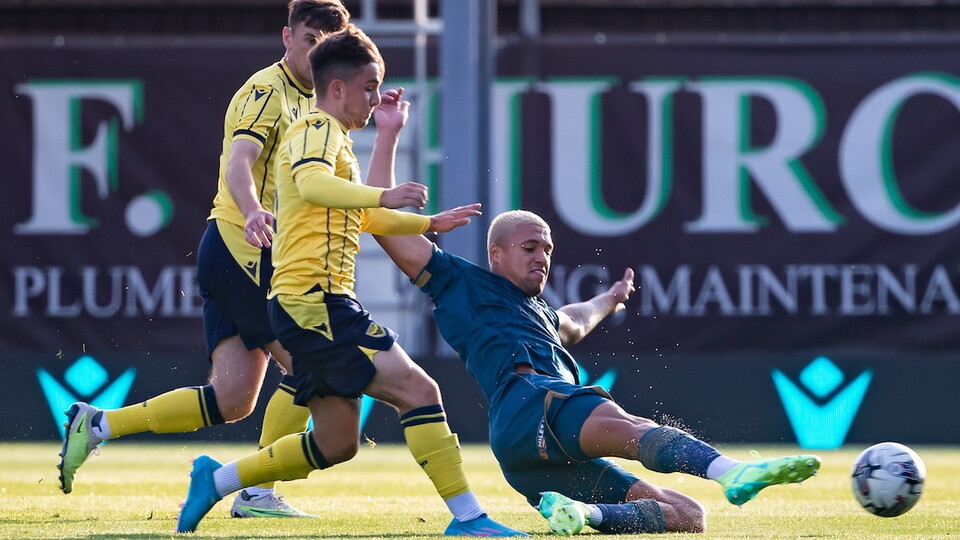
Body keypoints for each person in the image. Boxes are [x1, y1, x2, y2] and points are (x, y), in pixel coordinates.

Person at [174, 25, 525, 537]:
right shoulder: (316, 130)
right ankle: (470, 519)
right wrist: (385, 196)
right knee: (419, 390)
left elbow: (364, 215)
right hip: (317, 305)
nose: (375, 98)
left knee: (337, 443)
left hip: (311, 306)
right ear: (336, 88)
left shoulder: (331, 136)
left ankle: (217, 479)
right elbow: (314, 185)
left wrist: (429, 222)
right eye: (368, 87)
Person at [57, 0, 387, 520]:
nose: (316, 50)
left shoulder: (322, 103)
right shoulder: (267, 91)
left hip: (243, 250)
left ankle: (97, 424)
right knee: (311, 364)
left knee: (233, 399)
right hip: (245, 246)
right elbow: (239, 162)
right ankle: (256, 493)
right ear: (287, 38)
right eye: (309, 39)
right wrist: (254, 211)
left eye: (327, 42)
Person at [373, 209, 821, 535]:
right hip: (531, 403)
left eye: (547, 250)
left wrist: (612, 298)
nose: (542, 257)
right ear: (496, 253)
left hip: (525, 457)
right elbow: (386, 226)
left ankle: (584, 514)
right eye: (530, 247)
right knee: (631, 426)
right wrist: (389, 136)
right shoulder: (462, 282)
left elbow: (577, 318)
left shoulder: (540, 315)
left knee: (687, 516)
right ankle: (730, 472)